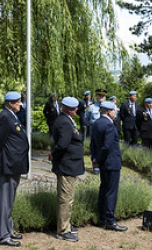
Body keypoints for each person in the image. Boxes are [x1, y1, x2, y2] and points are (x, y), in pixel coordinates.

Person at [0, 91, 29, 247]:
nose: (20, 104)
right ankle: (3, 235)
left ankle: (8, 229)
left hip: (14, 164)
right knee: (5, 201)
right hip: (8, 165)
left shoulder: (12, 116)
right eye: (18, 102)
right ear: (9, 103)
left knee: (10, 200)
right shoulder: (5, 117)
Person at [50, 96, 84, 242]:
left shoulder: (66, 120)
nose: (76, 110)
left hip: (70, 164)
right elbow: (62, 144)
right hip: (66, 164)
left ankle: (66, 225)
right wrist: (54, 155)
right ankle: (63, 230)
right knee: (66, 198)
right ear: (70, 109)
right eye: (75, 109)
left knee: (68, 197)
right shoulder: (64, 122)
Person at [90, 100, 125, 231]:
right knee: (111, 191)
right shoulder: (109, 125)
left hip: (103, 162)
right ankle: (110, 220)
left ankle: (102, 218)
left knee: (104, 189)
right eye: (114, 111)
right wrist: (98, 159)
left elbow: (93, 144)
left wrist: (95, 158)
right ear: (109, 111)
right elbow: (106, 146)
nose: (115, 113)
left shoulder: (97, 123)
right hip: (111, 162)